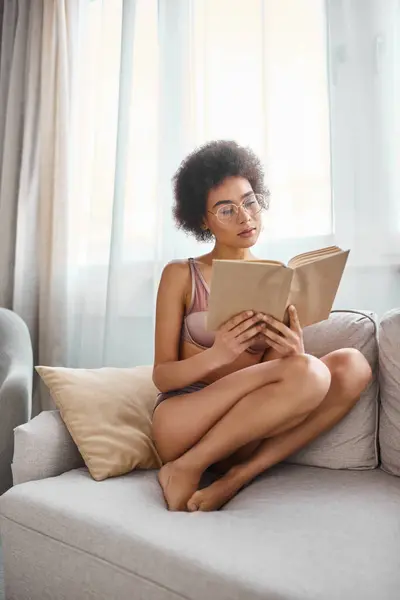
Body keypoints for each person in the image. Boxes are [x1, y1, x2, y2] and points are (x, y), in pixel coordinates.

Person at [152, 140, 372, 512]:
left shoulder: (276, 280)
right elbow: (162, 376)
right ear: (202, 219)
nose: (245, 217)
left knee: (352, 365)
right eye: (226, 209)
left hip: (242, 436)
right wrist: (217, 356)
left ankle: (237, 477)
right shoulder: (180, 275)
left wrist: (290, 354)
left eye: (249, 201)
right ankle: (186, 465)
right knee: (308, 371)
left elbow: (283, 381)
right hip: (183, 419)